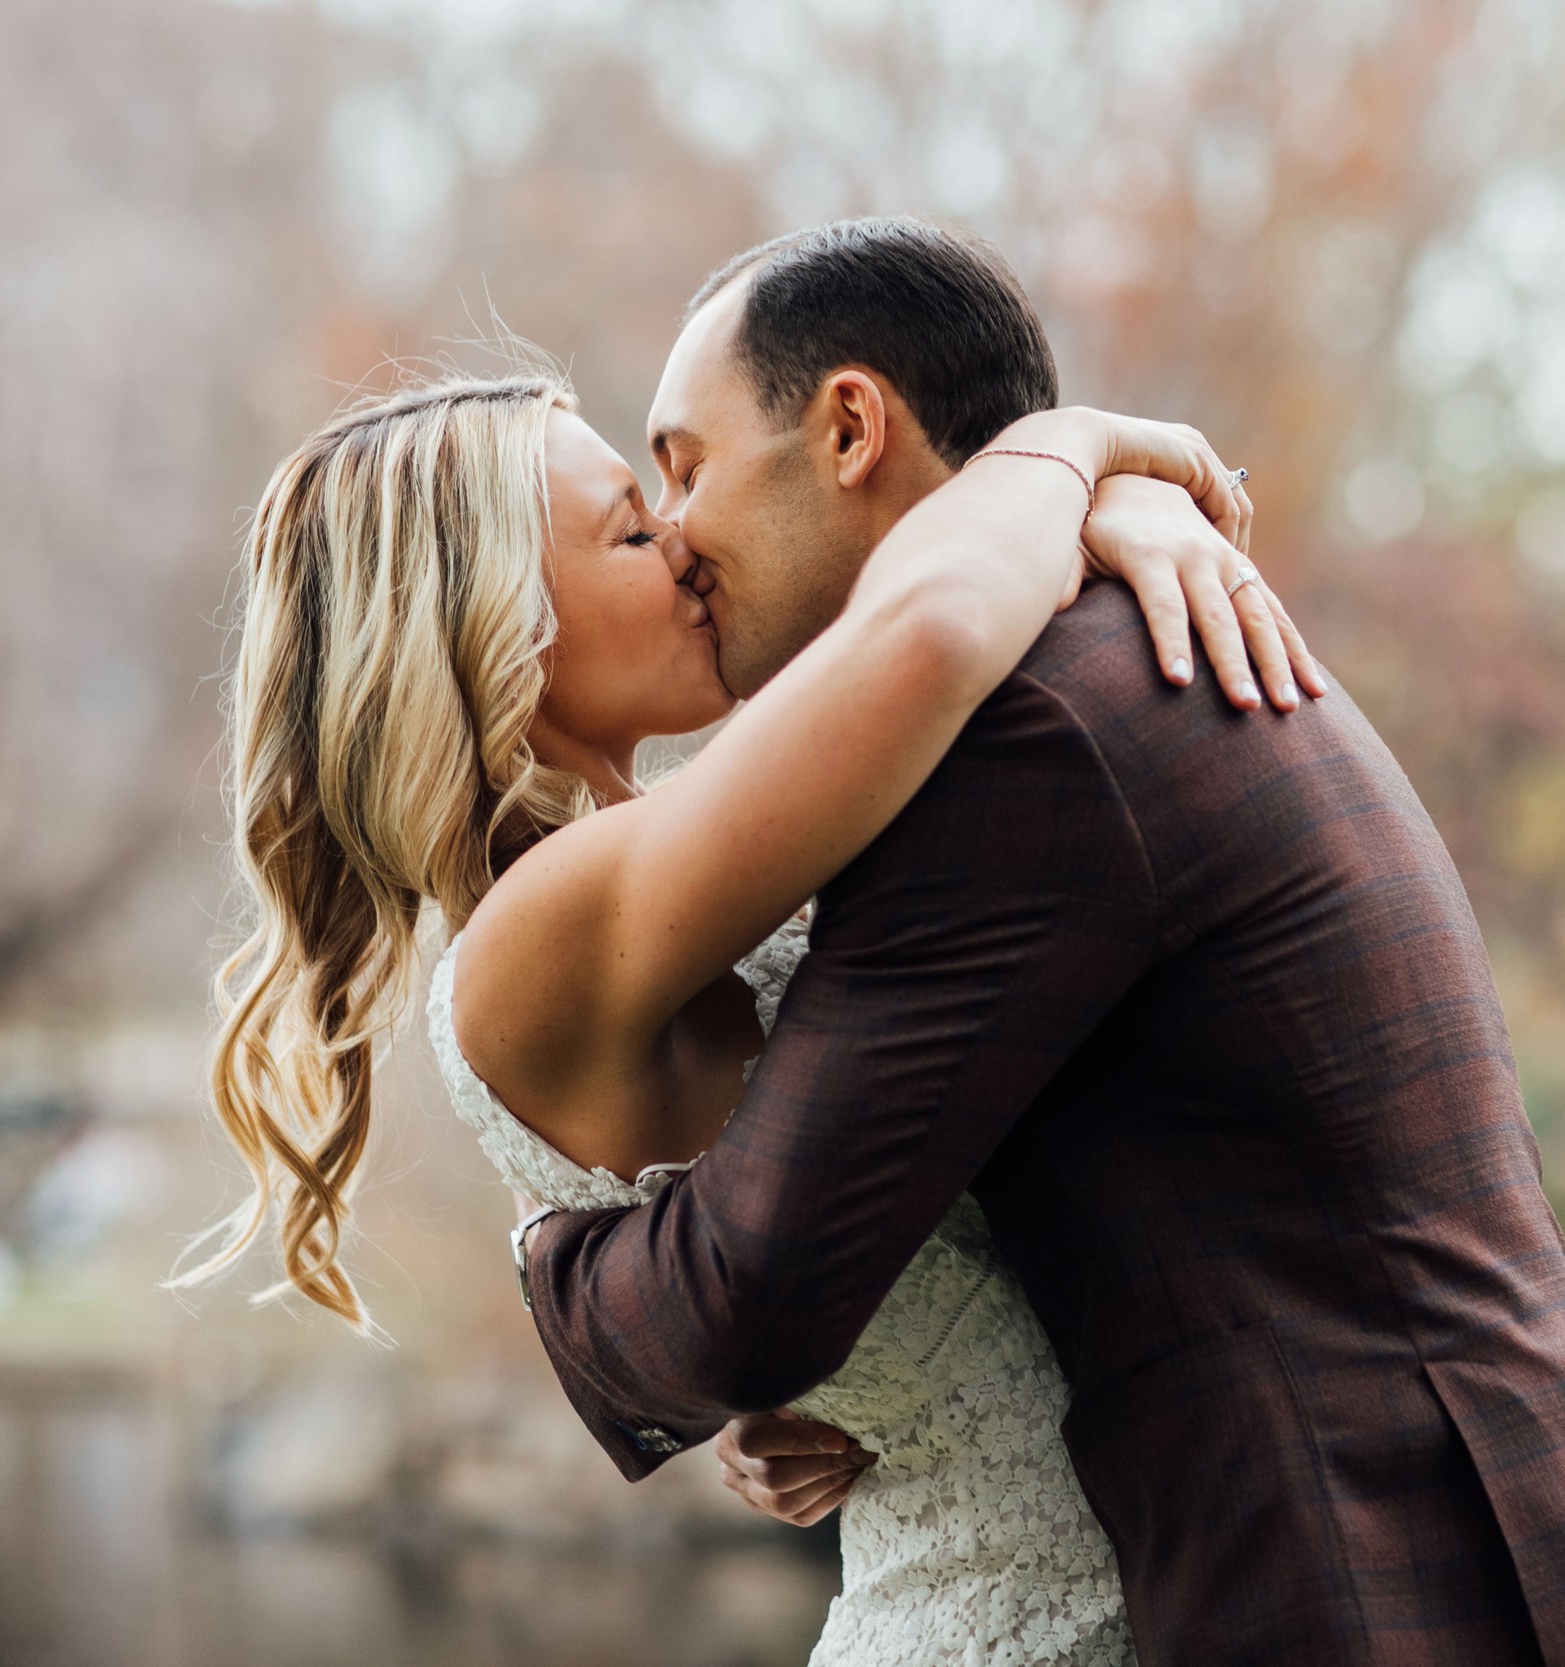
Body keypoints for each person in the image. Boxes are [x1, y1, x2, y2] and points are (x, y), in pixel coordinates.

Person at [516, 219, 1565, 1666]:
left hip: (1381, 1580)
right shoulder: (1098, 653)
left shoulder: (1030, 739)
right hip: (1500, 1544)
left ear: (851, 427)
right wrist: (888, 1391)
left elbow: (747, 1301)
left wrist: (561, 1266)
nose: (676, 536)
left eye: (686, 465)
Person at [184, 223, 1308, 1661]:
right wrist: (1072, 451)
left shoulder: (686, 867)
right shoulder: (540, 929)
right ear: (495, 630)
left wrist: (834, 1383)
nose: (687, 539)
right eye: (629, 529)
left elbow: (845, 1199)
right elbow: (929, 635)